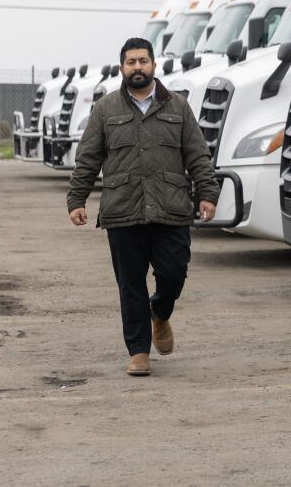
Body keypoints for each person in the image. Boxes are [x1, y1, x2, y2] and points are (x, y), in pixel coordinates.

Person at [66, 37, 219, 376]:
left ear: (154, 65)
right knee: (130, 283)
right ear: (122, 68)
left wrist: (207, 193)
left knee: (174, 273)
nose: (137, 67)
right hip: (123, 210)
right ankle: (138, 351)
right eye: (131, 62)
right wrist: (77, 199)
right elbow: (88, 159)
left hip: (171, 207)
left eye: (143, 61)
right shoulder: (105, 109)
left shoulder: (178, 107)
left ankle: (160, 313)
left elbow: (197, 155)